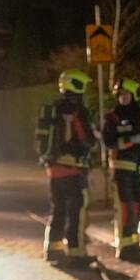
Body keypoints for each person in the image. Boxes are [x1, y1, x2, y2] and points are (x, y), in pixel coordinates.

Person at [36, 68, 97, 269]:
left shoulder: (53, 109)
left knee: (58, 210)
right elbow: (87, 140)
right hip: (73, 170)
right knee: (77, 212)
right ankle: (76, 254)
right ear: (76, 85)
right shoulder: (77, 110)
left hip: (54, 170)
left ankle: (53, 250)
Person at [102, 78, 140, 261]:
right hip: (121, 168)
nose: (122, 97)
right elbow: (109, 142)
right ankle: (124, 248)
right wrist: (131, 140)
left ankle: (133, 243)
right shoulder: (113, 117)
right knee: (126, 208)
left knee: (139, 206)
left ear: (133, 95)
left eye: (125, 94)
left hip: (138, 169)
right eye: (120, 95)